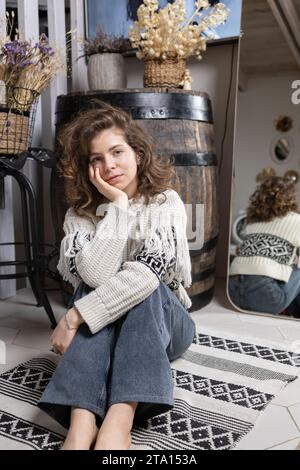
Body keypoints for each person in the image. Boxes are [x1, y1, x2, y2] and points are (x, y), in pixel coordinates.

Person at [37, 101, 196, 451]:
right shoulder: (79, 216)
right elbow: (94, 275)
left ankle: (120, 418)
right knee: (93, 286)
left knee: (142, 283)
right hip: (111, 323)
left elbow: (143, 278)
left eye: (117, 152)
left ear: (137, 154)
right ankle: (82, 421)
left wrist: (76, 316)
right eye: (96, 159)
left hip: (164, 323)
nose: (108, 165)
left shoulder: (164, 202)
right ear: (88, 168)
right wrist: (119, 209)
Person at [228, 176, 300, 317]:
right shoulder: (296, 220)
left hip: (233, 292)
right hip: (266, 297)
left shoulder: (252, 221)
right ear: (290, 198)